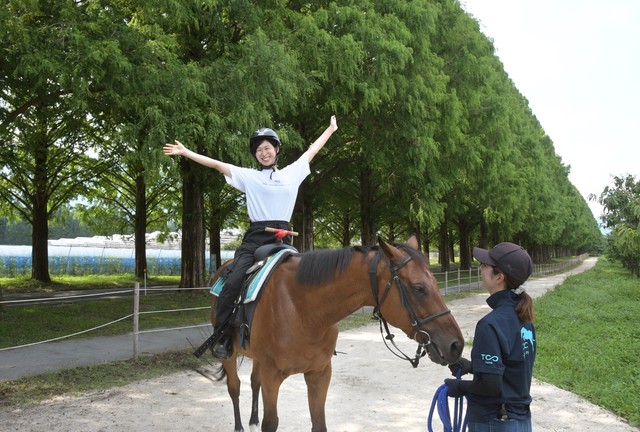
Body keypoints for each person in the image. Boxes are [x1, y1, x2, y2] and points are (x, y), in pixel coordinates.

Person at [163, 115, 338, 359]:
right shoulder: (249, 176)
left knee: (309, 280)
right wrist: (186, 152)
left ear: (276, 149)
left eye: (267, 148)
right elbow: (216, 165)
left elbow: (313, 150)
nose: (263, 152)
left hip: (283, 240)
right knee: (233, 281)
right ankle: (223, 335)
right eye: (258, 150)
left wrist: (330, 129)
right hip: (256, 239)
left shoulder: (292, 173)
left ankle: (312, 334)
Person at [444, 242, 535, 432]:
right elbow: (512, 366)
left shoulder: (490, 324)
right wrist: (475, 367)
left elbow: (490, 385)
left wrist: (459, 387)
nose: (481, 268)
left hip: (494, 422)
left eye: (485, 265)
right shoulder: (524, 319)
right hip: (520, 421)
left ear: (499, 277)